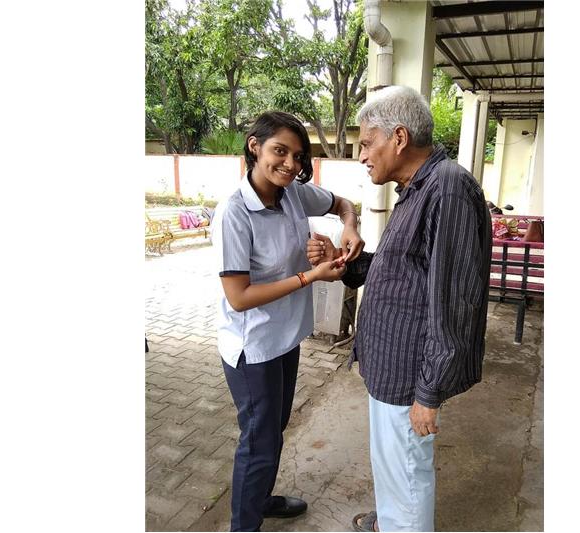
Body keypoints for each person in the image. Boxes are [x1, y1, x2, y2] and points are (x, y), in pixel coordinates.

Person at [307, 86, 492, 532]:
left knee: (408, 471)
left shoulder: (446, 190)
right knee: (391, 462)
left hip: (411, 374)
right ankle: (391, 519)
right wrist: (349, 264)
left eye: (367, 143)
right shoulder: (416, 188)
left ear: (400, 138)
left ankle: (402, 522)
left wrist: (429, 393)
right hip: (393, 366)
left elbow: (454, 301)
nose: (362, 155)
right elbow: (407, 271)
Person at [211, 110, 365, 532]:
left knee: (274, 429)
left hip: (287, 337)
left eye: (298, 157)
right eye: (280, 151)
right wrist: (309, 275)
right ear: (254, 146)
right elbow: (238, 297)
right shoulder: (234, 214)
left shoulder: (294, 194)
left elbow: (343, 203)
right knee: (259, 441)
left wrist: (348, 229)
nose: (290, 165)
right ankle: (245, 524)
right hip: (253, 346)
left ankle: (259, 500)